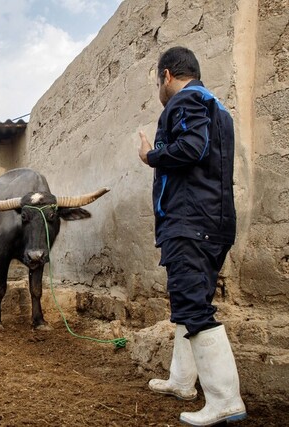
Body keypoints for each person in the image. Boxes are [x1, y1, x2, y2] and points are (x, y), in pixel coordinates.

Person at [138, 46, 246, 425]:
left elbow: (192, 147)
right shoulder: (216, 105)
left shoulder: (187, 100)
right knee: (188, 302)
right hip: (210, 221)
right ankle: (183, 380)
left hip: (190, 222)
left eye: (157, 82)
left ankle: (225, 399)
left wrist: (152, 155)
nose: (159, 90)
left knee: (195, 308)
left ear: (167, 75)